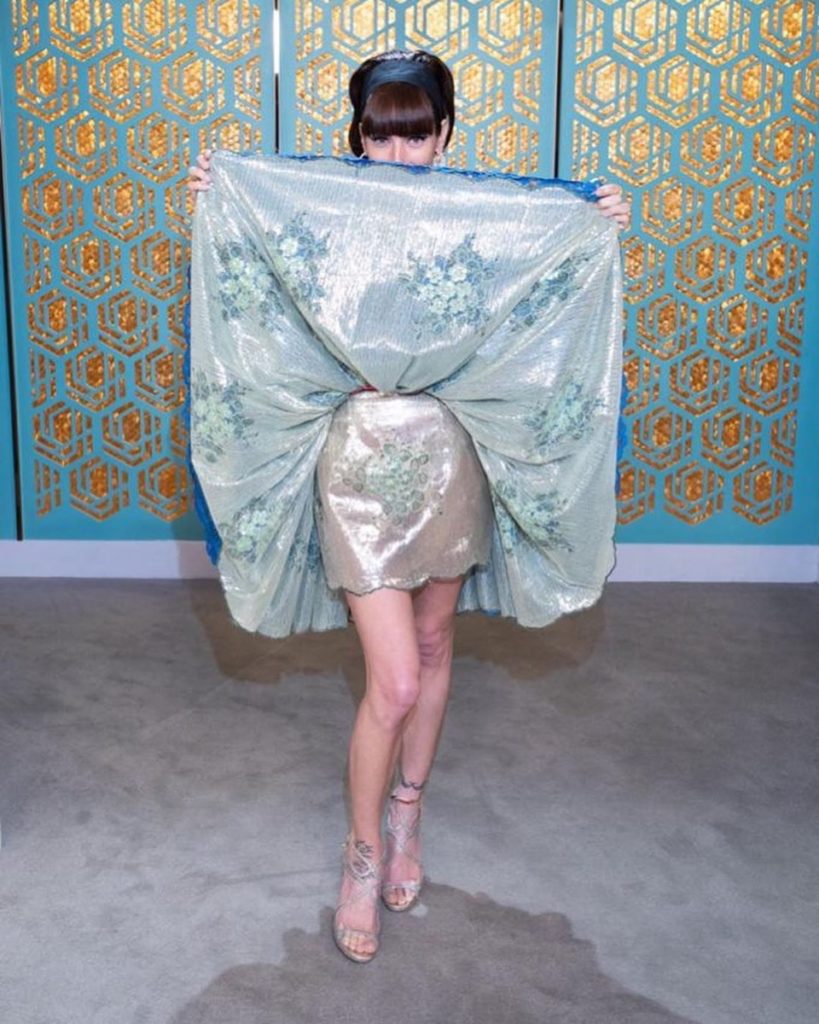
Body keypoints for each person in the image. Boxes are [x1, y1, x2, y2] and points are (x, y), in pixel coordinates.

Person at [188, 49, 630, 965]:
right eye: (379, 136)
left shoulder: (484, 222)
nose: (397, 154)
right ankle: (359, 859)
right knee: (390, 680)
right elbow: (263, 312)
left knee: (432, 647)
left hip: (448, 461)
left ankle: (406, 817)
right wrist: (219, 203)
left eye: (415, 135)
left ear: (444, 136)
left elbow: (533, 315)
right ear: (357, 138)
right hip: (356, 468)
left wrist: (593, 226)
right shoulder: (320, 217)